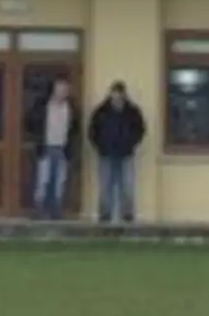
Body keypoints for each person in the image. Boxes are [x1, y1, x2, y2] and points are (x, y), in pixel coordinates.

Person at [87, 82, 146, 223]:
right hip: (106, 154)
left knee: (127, 186)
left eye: (119, 94)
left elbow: (140, 130)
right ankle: (105, 215)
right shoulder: (101, 111)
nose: (117, 97)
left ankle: (127, 215)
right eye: (114, 93)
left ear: (124, 95)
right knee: (105, 186)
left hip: (126, 154)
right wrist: (100, 147)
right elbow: (92, 131)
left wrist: (131, 144)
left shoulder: (132, 112)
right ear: (110, 94)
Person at [30, 77, 76, 219]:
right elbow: (31, 123)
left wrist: (71, 146)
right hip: (46, 147)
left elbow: (74, 129)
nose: (62, 92)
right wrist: (37, 139)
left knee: (59, 181)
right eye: (60, 89)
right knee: (43, 180)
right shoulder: (43, 106)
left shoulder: (71, 108)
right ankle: (39, 210)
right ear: (54, 90)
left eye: (65, 90)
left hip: (62, 148)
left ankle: (56, 210)